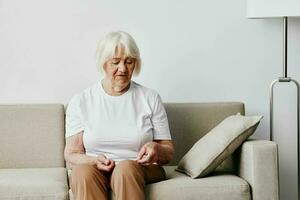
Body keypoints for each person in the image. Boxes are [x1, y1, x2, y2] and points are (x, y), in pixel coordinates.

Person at [64, 31, 174, 200]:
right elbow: (71, 154)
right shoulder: (81, 101)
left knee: (125, 170)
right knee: (81, 172)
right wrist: (93, 161)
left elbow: (168, 152)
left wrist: (156, 149)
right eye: (116, 62)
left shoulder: (150, 98)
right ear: (103, 64)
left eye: (129, 62)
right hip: (96, 169)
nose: (122, 69)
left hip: (138, 169)